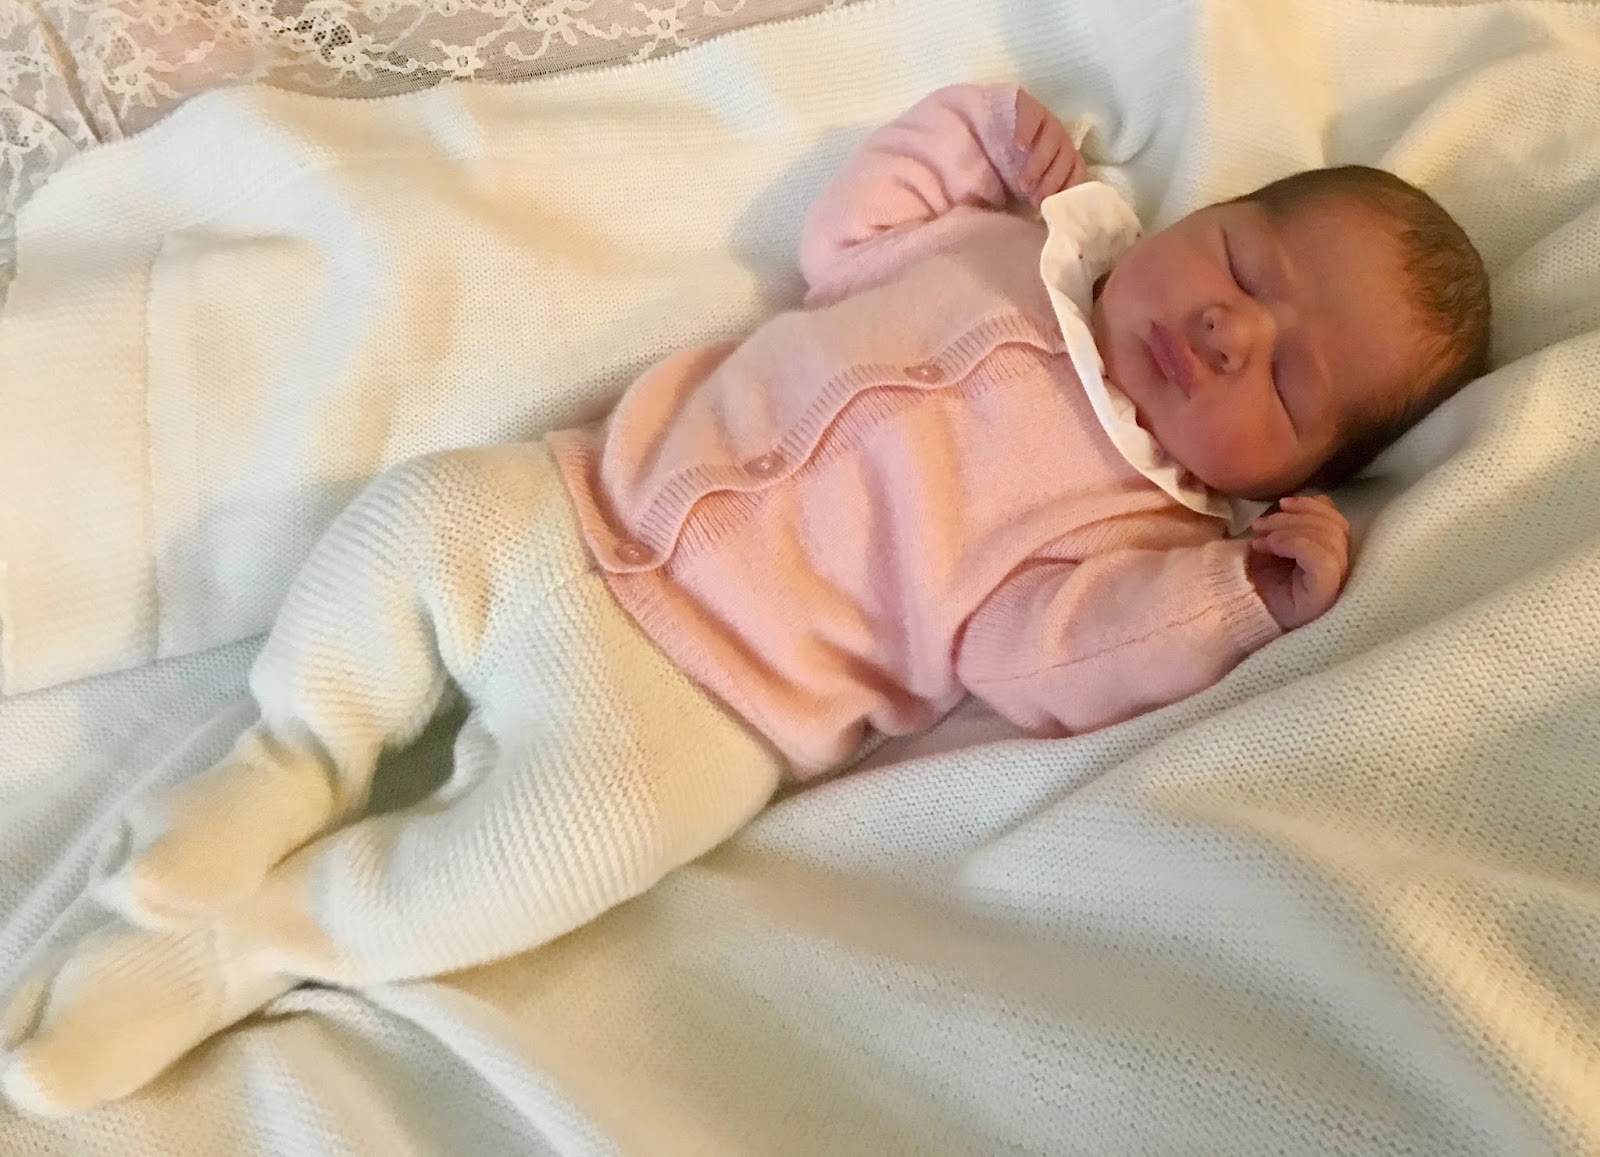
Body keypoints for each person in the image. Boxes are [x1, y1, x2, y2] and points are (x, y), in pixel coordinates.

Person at [0, 83, 1491, 1116]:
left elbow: (1045, 661)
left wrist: (1237, 596)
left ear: (1293, 475)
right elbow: (848, 235)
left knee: (564, 848)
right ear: (1195, 217)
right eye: (1241, 260)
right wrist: (977, 133)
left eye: (1290, 380)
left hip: (705, 708)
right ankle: (289, 761)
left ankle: (259, 944)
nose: (1230, 329)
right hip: (581, 502)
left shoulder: (1135, 533)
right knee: (418, 515)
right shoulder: (1007, 252)